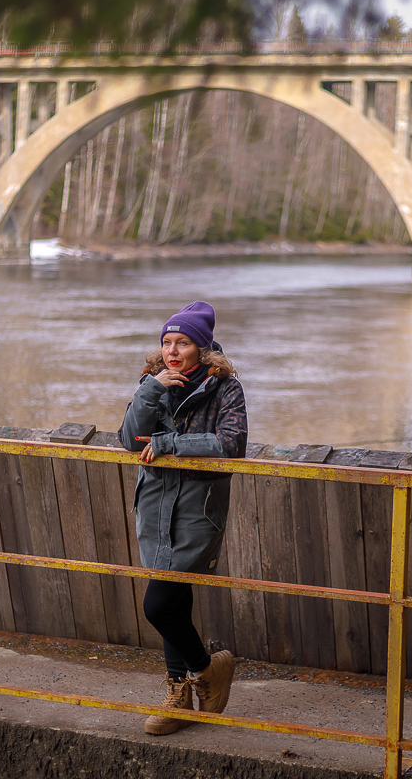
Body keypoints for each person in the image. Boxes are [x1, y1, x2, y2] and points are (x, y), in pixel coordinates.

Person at [118, 301, 248, 735]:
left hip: (196, 507)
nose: (172, 350)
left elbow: (231, 443)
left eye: (183, 342)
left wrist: (171, 442)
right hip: (155, 504)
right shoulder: (153, 382)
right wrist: (151, 389)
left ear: (202, 348)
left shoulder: (224, 386)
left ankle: (205, 670)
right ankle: (181, 696)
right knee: (175, 600)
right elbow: (128, 438)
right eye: (167, 342)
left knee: (158, 603)